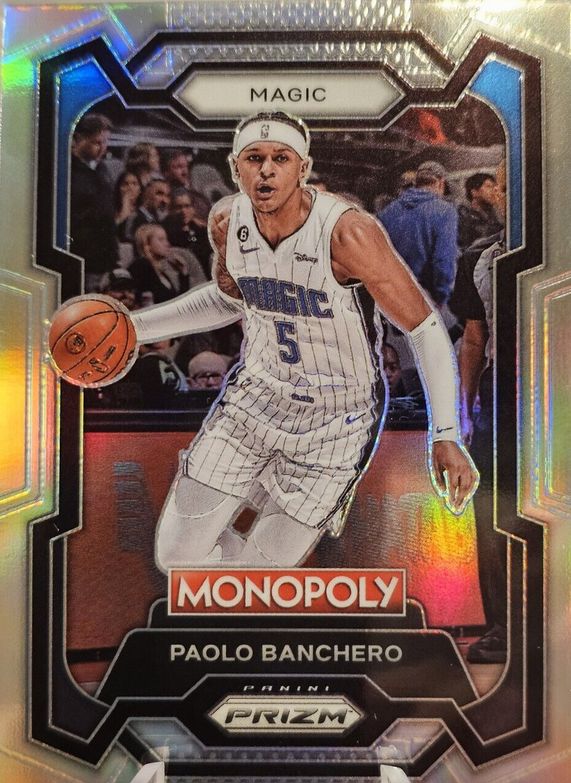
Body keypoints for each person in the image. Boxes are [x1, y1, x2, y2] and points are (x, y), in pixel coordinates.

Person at [127, 112, 477, 570]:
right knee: (175, 558)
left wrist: (445, 433)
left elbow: (424, 328)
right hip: (255, 401)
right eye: (254, 158)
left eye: (281, 158)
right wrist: (135, 327)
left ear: (303, 168)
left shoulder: (348, 232)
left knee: (261, 573)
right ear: (236, 168)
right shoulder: (227, 222)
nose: (267, 170)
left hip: (337, 418)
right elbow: (230, 300)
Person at [451, 162, 507, 664]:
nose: (506, 196)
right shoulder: (479, 258)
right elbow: (473, 338)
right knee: (493, 512)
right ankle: (503, 626)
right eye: (503, 188)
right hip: (499, 395)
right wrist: (463, 411)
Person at [378, 161, 459, 311]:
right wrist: (442, 297)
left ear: (416, 183)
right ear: (441, 183)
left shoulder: (388, 211)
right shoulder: (445, 211)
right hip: (423, 298)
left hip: (390, 298)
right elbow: (443, 260)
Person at [69, 113, 118, 291]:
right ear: (79, 139)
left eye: (105, 142)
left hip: (104, 257)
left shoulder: (102, 170)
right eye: (97, 142)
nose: (103, 148)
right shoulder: (68, 171)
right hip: (84, 256)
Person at [129, 224, 206, 305]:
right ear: (147, 245)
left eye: (166, 239)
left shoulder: (160, 271)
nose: (167, 244)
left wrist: (183, 273)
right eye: (161, 240)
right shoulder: (142, 265)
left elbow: (178, 302)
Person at [163, 188, 213, 277]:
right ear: (171, 210)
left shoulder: (201, 229)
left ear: (193, 208)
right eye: (178, 207)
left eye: (187, 206)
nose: (183, 211)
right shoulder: (167, 233)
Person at [457, 172, 503, 252]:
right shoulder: (462, 216)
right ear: (474, 192)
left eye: (495, 186)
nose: (494, 190)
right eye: (489, 186)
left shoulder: (494, 214)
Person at [113, 170, 143, 242]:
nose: (130, 187)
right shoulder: (111, 209)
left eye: (134, 184)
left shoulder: (143, 211)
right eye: (125, 184)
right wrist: (125, 204)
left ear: (140, 190)